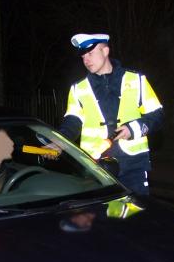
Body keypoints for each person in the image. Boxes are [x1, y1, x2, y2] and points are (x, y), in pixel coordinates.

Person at [58, 33, 163, 195]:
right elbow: (72, 121)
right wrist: (59, 142)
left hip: (133, 166)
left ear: (105, 51)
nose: (86, 59)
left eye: (90, 53)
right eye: (83, 56)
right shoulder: (78, 89)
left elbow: (157, 115)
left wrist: (132, 129)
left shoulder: (137, 80)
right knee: (101, 219)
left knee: (137, 218)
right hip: (96, 167)